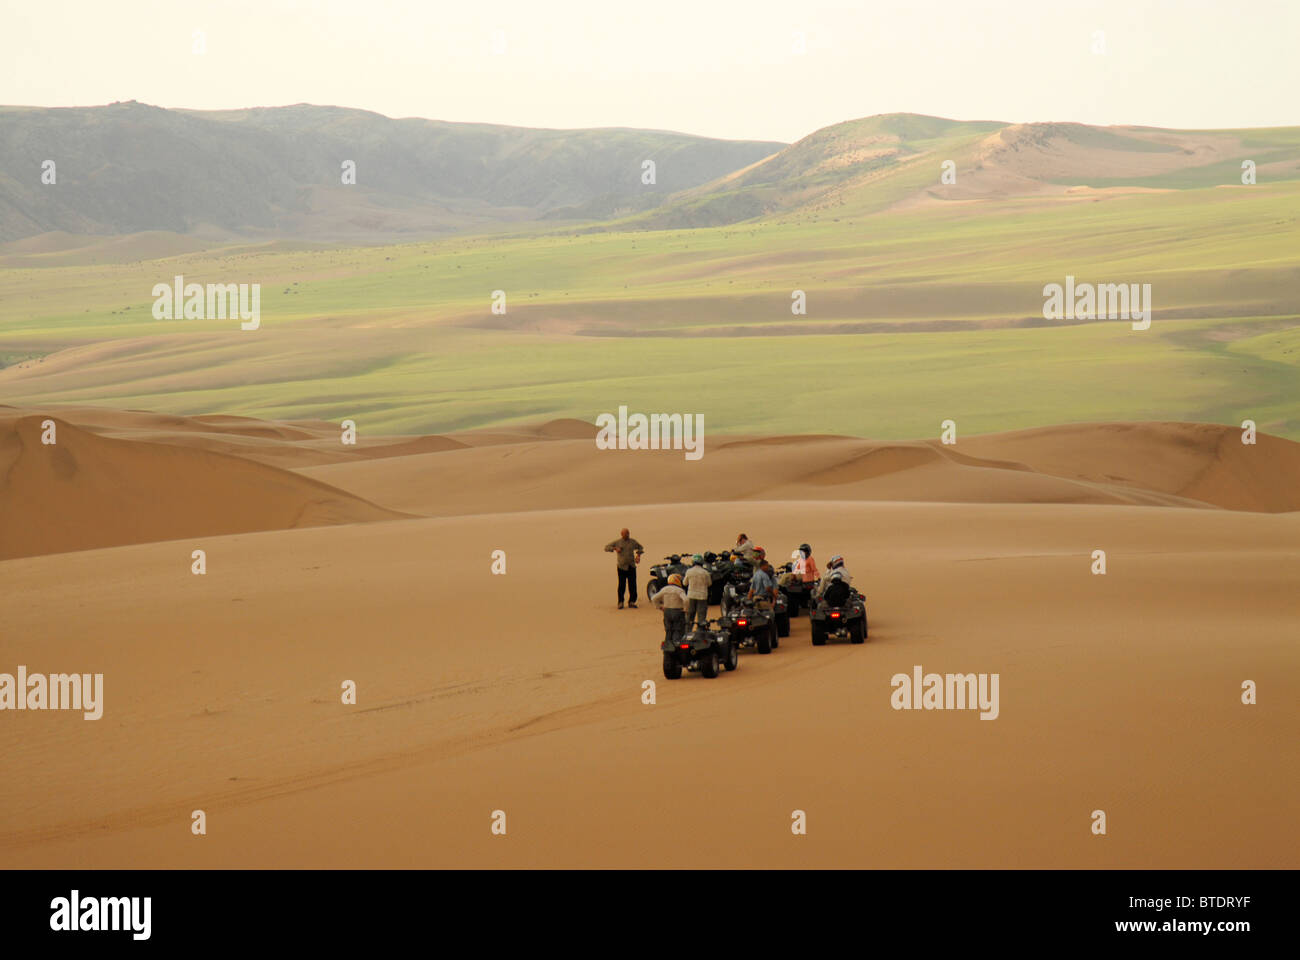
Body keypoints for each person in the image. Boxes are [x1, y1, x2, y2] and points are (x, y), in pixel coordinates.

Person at [604, 528, 644, 609]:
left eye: (628, 533)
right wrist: (615, 549)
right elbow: (606, 547)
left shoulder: (633, 542)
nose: (627, 535)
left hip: (631, 566)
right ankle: (620, 602)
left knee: (632, 585)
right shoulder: (618, 542)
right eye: (625, 534)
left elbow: (640, 547)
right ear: (621, 534)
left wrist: (638, 556)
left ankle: (632, 602)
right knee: (622, 585)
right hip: (622, 567)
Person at [651, 572, 689, 644]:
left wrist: (659, 607)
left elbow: (654, 598)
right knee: (677, 630)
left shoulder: (664, 589)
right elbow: (686, 600)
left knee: (668, 631)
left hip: (667, 612)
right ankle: (676, 646)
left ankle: (668, 647)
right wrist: (685, 609)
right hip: (678, 612)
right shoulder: (679, 590)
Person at [683, 554, 712, 631]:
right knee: (701, 616)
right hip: (702, 596)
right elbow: (709, 583)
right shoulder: (705, 572)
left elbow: (684, 583)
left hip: (691, 596)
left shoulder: (689, 571)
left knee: (690, 616)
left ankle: (687, 632)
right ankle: (700, 632)